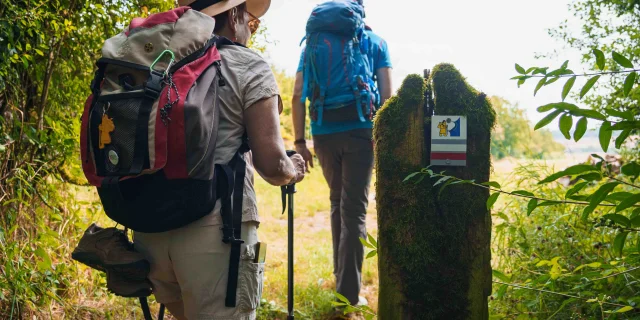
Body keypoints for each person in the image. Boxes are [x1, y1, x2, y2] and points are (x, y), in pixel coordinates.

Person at [133, 1, 306, 319]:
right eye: (252, 22)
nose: (250, 32)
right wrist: (292, 170)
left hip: (147, 227)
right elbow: (272, 165)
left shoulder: (150, 57)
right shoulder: (246, 63)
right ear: (235, 14)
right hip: (216, 233)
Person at [292, 0, 392, 308]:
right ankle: (348, 295)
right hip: (361, 132)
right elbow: (388, 97)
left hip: (323, 134)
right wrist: (382, 135)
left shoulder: (312, 44)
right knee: (355, 211)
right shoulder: (375, 42)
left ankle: (341, 281)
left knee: (337, 203)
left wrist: (299, 141)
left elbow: (297, 94)